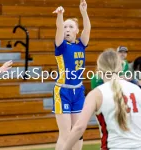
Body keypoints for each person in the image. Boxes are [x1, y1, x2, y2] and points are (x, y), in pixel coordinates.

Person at [62, 49, 141, 150]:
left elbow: (79, 127)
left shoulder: (96, 94)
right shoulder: (137, 89)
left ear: (99, 70)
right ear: (121, 67)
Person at [52, 0, 91, 150]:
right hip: (63, 91)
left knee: (78, 132)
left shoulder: (81, 44)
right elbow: (59, 29)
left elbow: (87, 29)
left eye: (71, 27)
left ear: (76, 30)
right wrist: (61, 16)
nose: (67, 29)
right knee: (66, 134)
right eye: (65, 27)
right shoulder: (60, 45)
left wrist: (83, 12)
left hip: (78, 91)